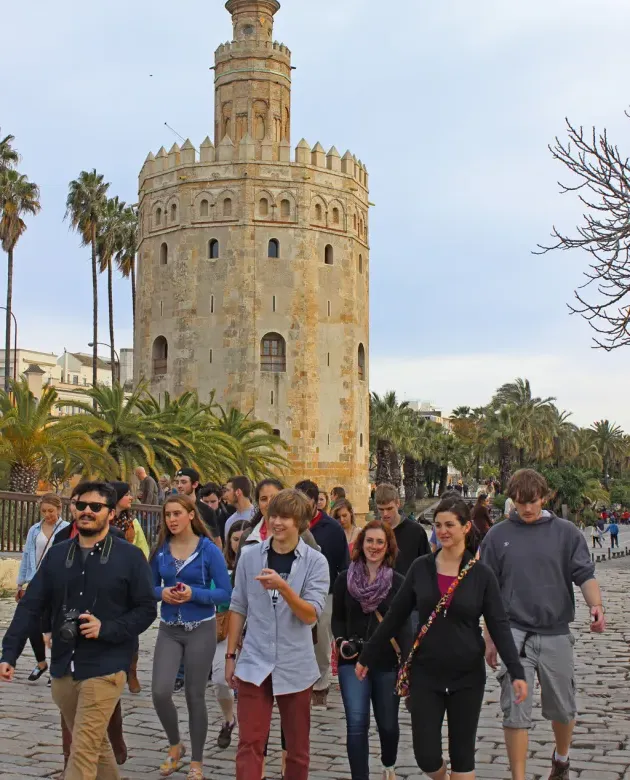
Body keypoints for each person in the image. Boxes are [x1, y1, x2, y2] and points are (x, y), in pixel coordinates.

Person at [357, 498, 527, 780]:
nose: (443, 530)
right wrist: (367, 656)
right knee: (426, 755)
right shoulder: (421, 568)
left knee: (462, 755)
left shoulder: (481, 575)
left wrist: (517, 671)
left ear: (466, 527)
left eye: (450, 524)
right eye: (438, 525)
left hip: (467, 675)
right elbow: (395, 616)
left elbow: (498, 625)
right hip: (426, 673)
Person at [1, 481, 156, 780]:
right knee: (96, 748)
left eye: (95, 507)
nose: (86, 511)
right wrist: (9, 654)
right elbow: (30, 606)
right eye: (80, 505)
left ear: (110, 514)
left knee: (82, 752)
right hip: (63, 668)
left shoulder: (129, 557)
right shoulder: (58, 555)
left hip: (106, 667)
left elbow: (147, 609)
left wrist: (107, 628)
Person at [481, 469, 606, 780]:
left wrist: (596, 606)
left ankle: (560, 758)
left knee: (563, 708)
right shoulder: (497, 535)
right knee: (515, 710)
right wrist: (489, 637)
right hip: (514, 633)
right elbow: (488, 592)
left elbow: (585, 574)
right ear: (512, 500)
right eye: (520, 502)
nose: (527, 509)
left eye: (533, 502)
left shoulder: (566, 533)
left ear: (545, 498)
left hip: (555, 632)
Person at [226, 488, 329, 780]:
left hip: (294, 664)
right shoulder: (249, 556)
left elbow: (310, 614)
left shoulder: (315, 562)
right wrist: (231, 655)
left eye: (286, 517)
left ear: (300, 522)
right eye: (274, 516)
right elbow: (238, 606)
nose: (278, 523)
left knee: (297, 749)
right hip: (254, 661)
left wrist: (283, 588)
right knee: (250, 742)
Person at [150, 494, 232, 780]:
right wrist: (161, 593)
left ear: (190, 515)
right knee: (160, 691)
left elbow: (225, 593)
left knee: (194, 695)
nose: (171, 519)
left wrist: (194, 594)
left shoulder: (208, 550)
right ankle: (176, 745)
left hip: (201, 628)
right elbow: (147, 586)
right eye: (167, 515)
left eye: (176, 513)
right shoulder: (161, 550)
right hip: (169, 628)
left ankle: (197, 762)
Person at [332, 520, 409, 780]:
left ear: (387, 547)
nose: (373, 547)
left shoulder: (398, 583)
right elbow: (338, 617)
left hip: (386, 662)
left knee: (387, 725)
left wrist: (408, 664)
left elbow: (404, 626)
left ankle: (389, 764)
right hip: (352, 661)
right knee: (356, 724)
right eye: (369, 541)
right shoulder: (345, 579)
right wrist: (341, 641)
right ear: (360, 543)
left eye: (379, 542)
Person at [295, 479, 349, 710]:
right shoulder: (291, 524)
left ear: (316, 502)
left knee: (321, 641)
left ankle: (320, 685)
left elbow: (342, 563)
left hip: (325, 592)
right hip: (295, 591)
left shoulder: (332, 528)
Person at [16, 493, 69, 682]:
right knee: (32, 625)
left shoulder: (66, 530)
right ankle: (41, 662)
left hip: (56, 584)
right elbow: (27, 555)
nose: (48, 515)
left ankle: (56, 666)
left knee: (54, 625)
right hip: (35, 582)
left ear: (60, 509)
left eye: (51, 511)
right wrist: (20, 583)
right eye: (44, 511)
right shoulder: (34, 530)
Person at [213, 519, 250, 751]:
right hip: (225, 625)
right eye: (236, 539)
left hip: (252, 628)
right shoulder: (220, 564)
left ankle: (249, 730)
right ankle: (229, 718)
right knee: (219, 678)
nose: (239, 544)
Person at [110, 481, 151, 693]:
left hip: (128, 584)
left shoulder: (132, 523)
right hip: (106, 582)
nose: (131, 498)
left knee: (131, 631)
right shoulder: (103, 520)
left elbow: (142, 550)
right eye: (126, 494)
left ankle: (132, 671)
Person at [375, 483, 430, 576]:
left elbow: (427, 566)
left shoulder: (416, 531)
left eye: (389, 508)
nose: (385, 514)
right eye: (381, 509)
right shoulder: (372, 532)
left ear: (398, 503)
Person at [175, 467, 221, 544]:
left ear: (195, 484)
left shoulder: (207, 511)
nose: (179, 486)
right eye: (177, 482)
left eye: (183, 482)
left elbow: (216, 541)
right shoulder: (172, 508)